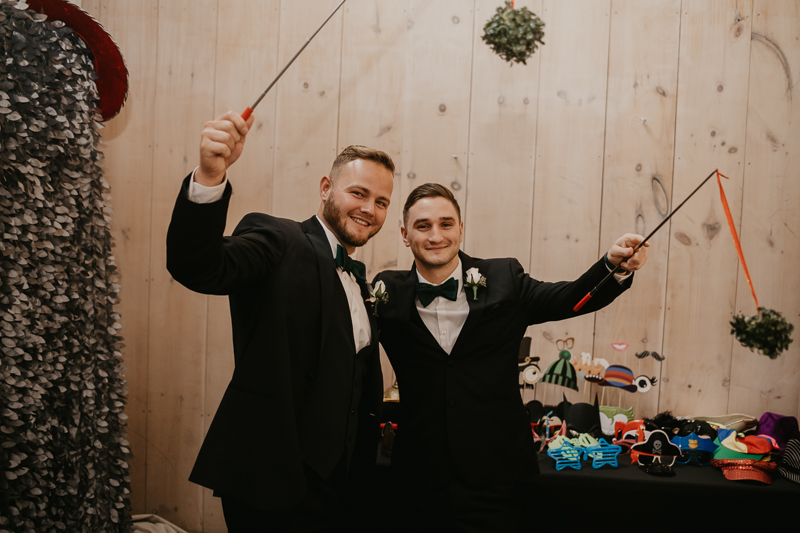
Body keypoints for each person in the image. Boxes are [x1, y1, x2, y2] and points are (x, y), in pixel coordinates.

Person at [166, 111, 395, 531]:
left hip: (341, 485)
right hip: (272, 480)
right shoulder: (278, 239)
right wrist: (209, 176)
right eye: (359, 193)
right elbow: (198, 266)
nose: (369, 209)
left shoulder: (362, 281)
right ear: (326, 188)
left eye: (381, 202)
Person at [372, 183, 648, 532]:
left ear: (460, 228)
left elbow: (569, 297)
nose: (435, 235)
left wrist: (613, 265)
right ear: (404, 234)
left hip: (496, 473)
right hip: (418, 474)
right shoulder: (386, 292)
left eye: (446, 223)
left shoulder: (505, 279)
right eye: (423, 225)